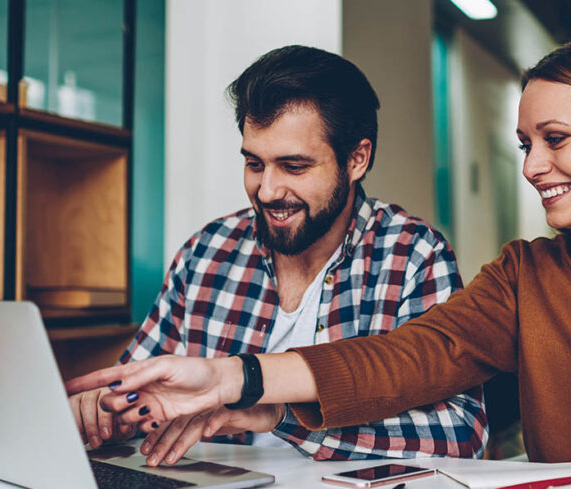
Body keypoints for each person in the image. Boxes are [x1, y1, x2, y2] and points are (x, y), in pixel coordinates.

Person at [67, 31, 571, 464]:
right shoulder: (526, 275)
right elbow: (402, 358)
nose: (532, 167)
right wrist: (236, 377)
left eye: (555, 140)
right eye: (526, 142)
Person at [68, 45, 488, 465]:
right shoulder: (206, 252)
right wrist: (108, 412)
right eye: (254, 164)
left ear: (357, 159)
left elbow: (459, 434)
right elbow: (137, 394)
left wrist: (283, 417)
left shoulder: (412, 256)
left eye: (294, 166)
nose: (267, 191)